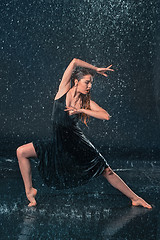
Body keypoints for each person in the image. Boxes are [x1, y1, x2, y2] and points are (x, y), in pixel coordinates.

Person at [16, 58, 152, 209]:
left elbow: (105, 115)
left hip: (77, 145)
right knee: (21, 152)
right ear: (76, 81)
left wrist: (81, 110)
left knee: (106, 170)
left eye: (91, 83)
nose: (89, 86)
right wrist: (96, 69)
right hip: (57, 143)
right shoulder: (63, 91)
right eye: (86, 82)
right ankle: (30, 192)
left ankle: (135, 198)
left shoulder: (85, 103)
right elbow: (74, 62)